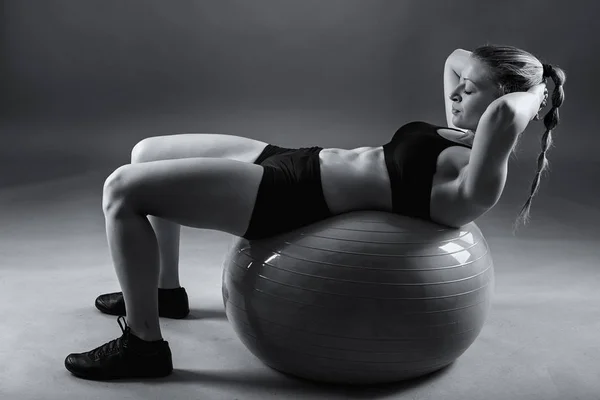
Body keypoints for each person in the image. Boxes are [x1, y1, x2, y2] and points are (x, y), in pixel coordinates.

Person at [64, 44, 566, 380]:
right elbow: (457, 60)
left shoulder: (472, 185)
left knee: (122, 191)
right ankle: (163, 292)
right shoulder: (461, 131)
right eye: (461, 88)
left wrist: (540, 90)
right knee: (145, 152)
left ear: (508, 102)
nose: (455, 93)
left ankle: (144, 346)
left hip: (291, 197)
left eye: (470, 90)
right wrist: (497, 78)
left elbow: (503, 115)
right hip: (298, 159)